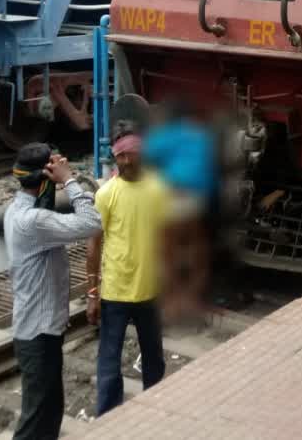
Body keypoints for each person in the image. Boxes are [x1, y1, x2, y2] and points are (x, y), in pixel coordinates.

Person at [4, 143, 103, 440]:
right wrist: (70, 180)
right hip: (38, 332)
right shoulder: (33, 221)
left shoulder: (17, 209)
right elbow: (91, 222)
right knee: (36, 420)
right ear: (46, 179)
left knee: (50, 412)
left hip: (40, 328)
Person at [87, 133, 168, 417]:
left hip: (150, 290)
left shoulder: (158, 189)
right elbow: (94, 244)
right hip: (115, 291)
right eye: (118, 156)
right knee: (109, 362)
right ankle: (109, 418)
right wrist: (92, 294)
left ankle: (153, 412)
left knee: (154, 361)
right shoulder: (107, 193)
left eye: (126, 155)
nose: (121, 161)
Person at [143, 98, 219, 320]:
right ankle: (194, 300)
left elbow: (148, 160)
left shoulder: (164, 135)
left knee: (167, 252)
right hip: (198, 200)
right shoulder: (200, 133)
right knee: (198, 251)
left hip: (173, 199)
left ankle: (172, 303)